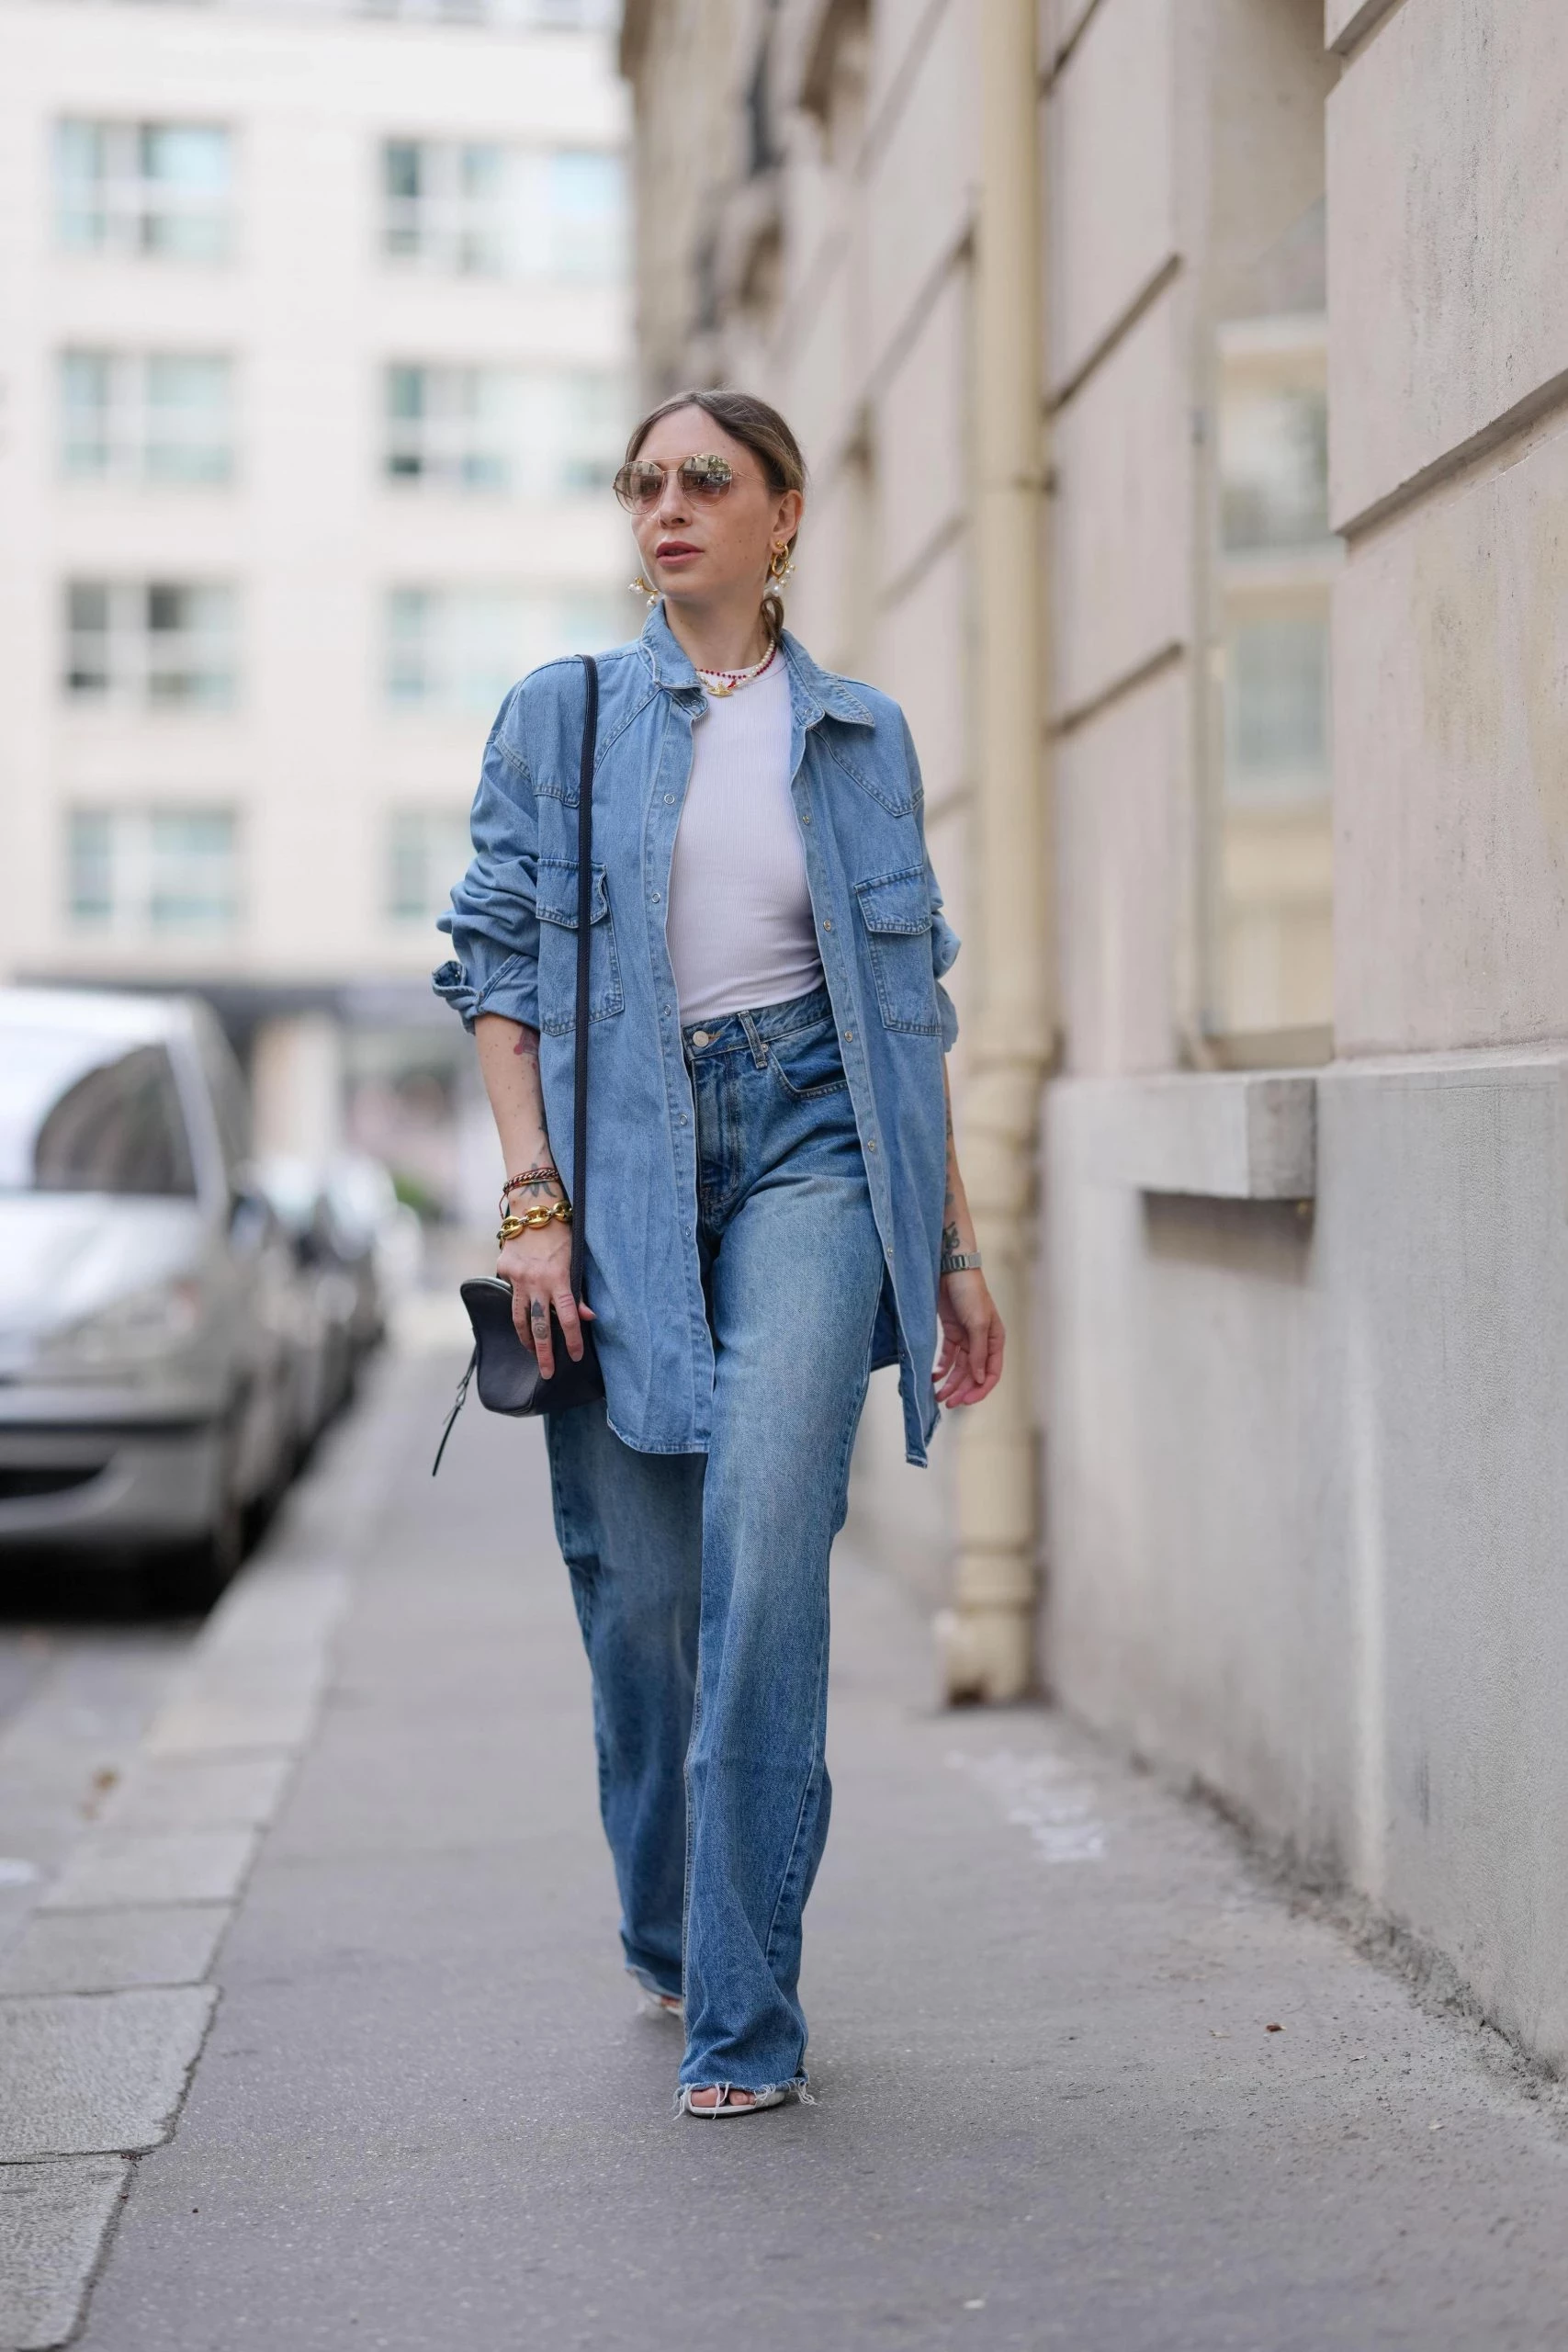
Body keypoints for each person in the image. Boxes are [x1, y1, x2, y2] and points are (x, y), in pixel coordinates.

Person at [434, 389, 1003, 2117]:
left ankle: (744, 2013)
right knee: (645, 1604)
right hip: (621, 1164)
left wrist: (952, 1244)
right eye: (644, 484)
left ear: (784, 514)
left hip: (815, 1143)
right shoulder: (562, 717)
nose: (666, 506)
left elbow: (904, 1015)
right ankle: (672, 1921)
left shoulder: (862, 737)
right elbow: (497, 969)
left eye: (705, 480)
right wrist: (532, 1199)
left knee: (765, 1548)